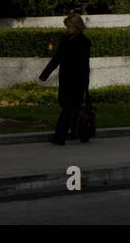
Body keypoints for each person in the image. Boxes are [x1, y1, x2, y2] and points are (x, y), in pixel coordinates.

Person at [38, 13, 91, 146]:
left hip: (77, 80)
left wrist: (85, 83)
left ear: (77, 27)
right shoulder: (65, 39)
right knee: (70, 107)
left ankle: (60, 136)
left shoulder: (84, 42)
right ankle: (79, 133)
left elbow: (85, 65)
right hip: (66, 79)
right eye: (67, 27)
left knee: (68, 108)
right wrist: (45, 74)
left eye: (70, 27)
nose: (67, 29)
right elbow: (57, 58)